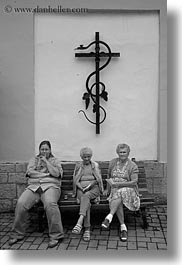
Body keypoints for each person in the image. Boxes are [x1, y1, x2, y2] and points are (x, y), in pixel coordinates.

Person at [9, 140, 64, 248]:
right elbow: (30, 173)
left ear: (50, 150)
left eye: (46, 149)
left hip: (50, 186)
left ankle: (56, 235)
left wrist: (46, 163)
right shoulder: (34, 160)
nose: (44, 151)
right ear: (39, 150)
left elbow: (56, 173)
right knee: (21, 203)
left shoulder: (55, 160)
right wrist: (46, 175)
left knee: (50, 204)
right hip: (34, 187)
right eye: (42, 149)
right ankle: (17, 234)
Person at [101, 143, 140, 242]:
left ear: (128, 153)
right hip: (115, 189)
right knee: (118, 195)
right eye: (120, 152)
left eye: (124, 152)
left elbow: (134, 182)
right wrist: (107, 189)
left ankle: (110, 216)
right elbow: (109, 176)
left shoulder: (132, 165)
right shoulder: (113, 162)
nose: (122, 154)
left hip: (129, 189)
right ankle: (123, 227)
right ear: (117, 153)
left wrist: (120, 185)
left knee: (120, 192)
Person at [72, 147, 104, 241]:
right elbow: (75, 180)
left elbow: (98, 179)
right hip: (81, 189)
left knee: (85, 197)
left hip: (93, 188)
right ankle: (87, 229)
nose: (87, 159)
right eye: (85, 157)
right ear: (81, 157)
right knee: (87, 204)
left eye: (89, 156)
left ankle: (79, 221)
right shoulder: (78, 166)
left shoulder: (95, 165)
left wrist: (90, 185)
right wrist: (81, 187)